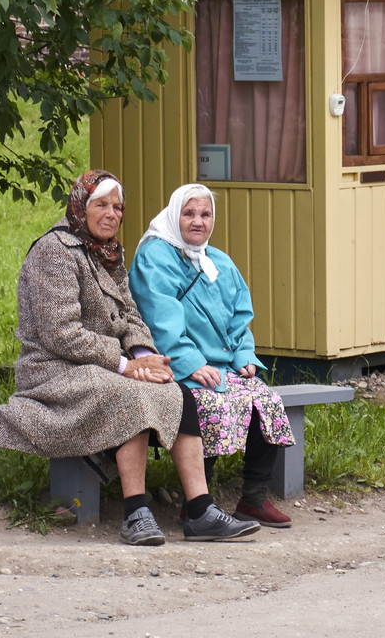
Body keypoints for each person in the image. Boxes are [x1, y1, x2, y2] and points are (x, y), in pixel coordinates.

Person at [0, 170, 260, 545]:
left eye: (118, 207)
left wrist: (144, 356)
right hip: (54, 370)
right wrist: (126, 365)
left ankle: (201, 511)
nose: (112, 214)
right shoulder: (54, 252)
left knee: (176, 391)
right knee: (131, 394)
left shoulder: (107, 253)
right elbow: (60, 334)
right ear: (81, 205)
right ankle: (135, 513)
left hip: (101, 367)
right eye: (102, 205)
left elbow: (131, 316)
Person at [129, 183, 295, 528]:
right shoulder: (155, 256)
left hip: (220, 365)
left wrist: (244, 355)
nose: (198, 221)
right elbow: (159, 319)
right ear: (174, 215)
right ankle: (197, 504)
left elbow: (239, 317)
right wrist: (191, 363)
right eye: (189, 213)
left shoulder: (218, 260)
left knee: (266, 400)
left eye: (205, 214)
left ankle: (253, 499)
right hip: (177, 366)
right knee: (208, 404)